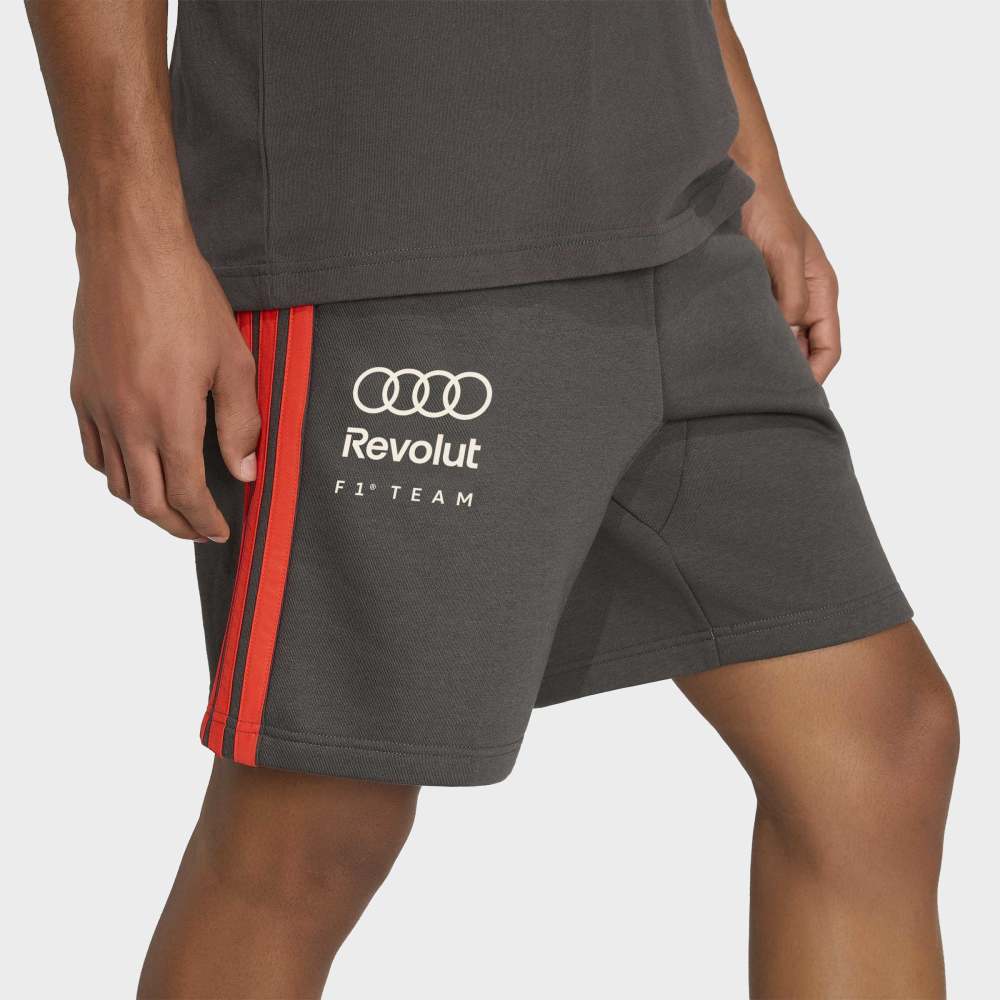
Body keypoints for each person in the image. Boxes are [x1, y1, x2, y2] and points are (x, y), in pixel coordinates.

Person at [27, 2, 958, 997]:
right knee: (314, 826)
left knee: (878, 749)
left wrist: (752, 159)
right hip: (388, 232)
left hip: (680, 217)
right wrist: (126, 242)